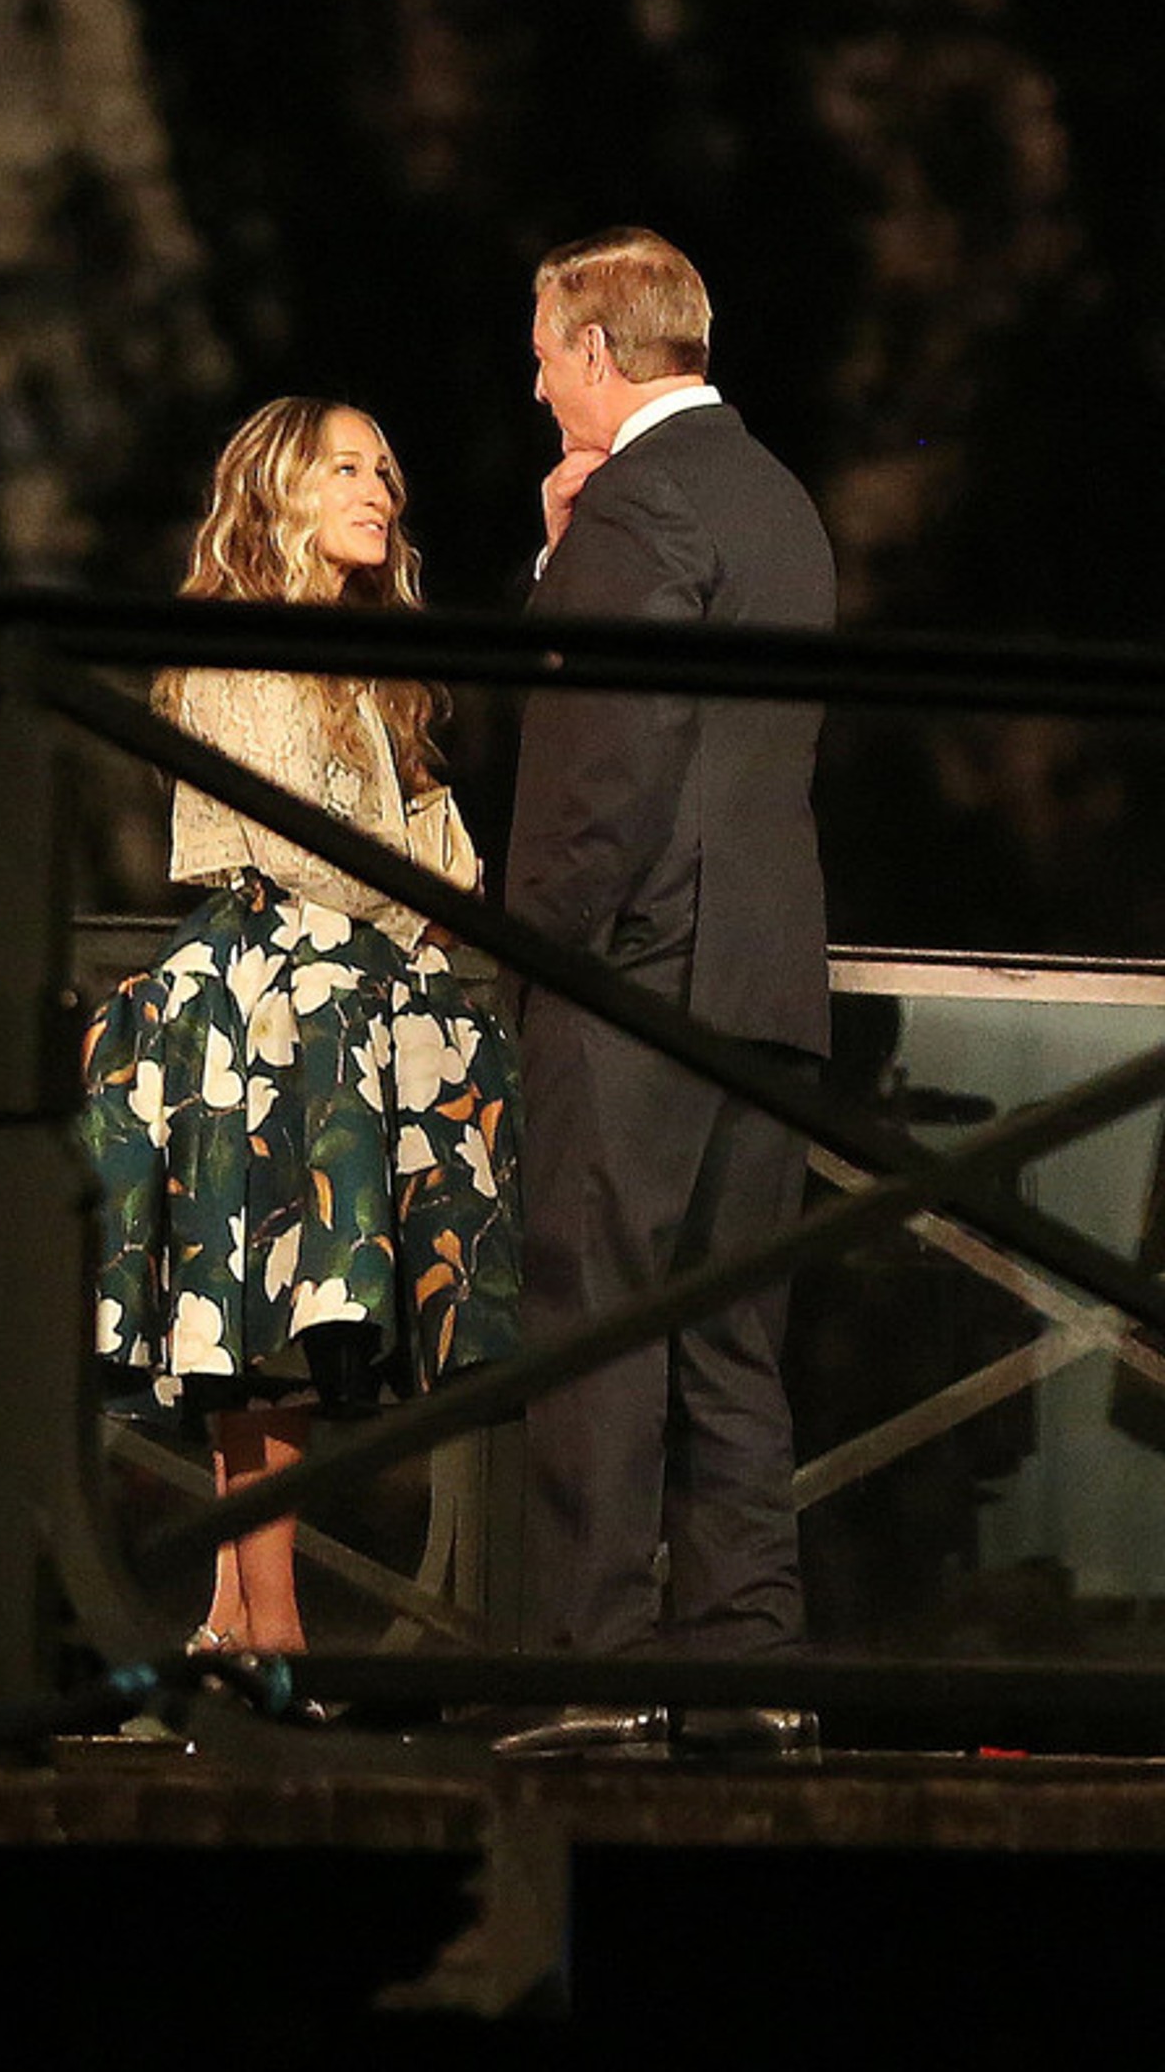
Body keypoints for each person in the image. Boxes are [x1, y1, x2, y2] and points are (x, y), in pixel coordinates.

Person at [80, 396, 523, 1667]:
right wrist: (420, 892)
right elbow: (303, 852)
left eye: (385, 469)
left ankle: (237, 1619)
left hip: (338, 1009)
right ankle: (268, 1625)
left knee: (277, 1307)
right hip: (265, 1014)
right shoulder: (244, 647)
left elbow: (424, 846)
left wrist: (430, 875)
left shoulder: (358, 667)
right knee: (260, 1310)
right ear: (280, 491)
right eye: (345, 468)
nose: (378, 489)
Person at [500, 228, 835, 1750]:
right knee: (729, 1337)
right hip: (767, 976)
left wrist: (543, 951)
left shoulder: (642, 500)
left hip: (639, 978)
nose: (535, 386)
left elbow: (604, 761)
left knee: (597, 1321)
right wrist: (563, 555)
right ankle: (748, 1670)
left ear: (593, 349)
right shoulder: (777, 497)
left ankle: (595, 1671)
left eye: (542, 356)